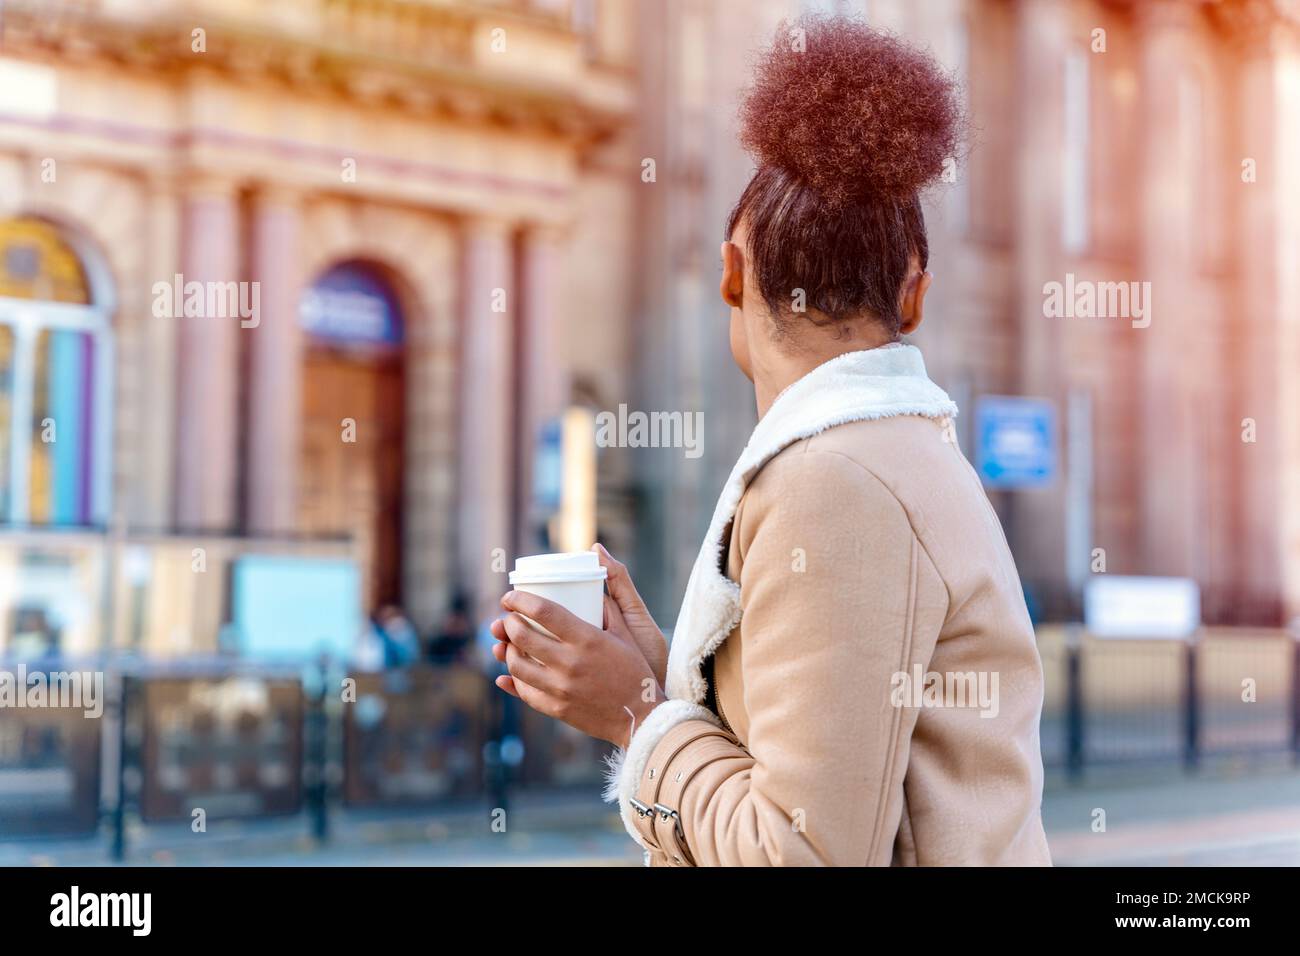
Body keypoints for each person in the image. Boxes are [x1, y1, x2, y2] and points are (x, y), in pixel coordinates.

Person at [490, 15, 1051, 866]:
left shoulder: (835, 482)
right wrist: (669, 668)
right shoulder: (897, 459)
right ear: (915, 299)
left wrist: (638, 714)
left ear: (731, 275)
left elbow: (805, 852)